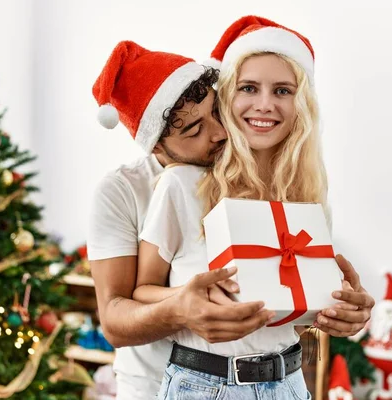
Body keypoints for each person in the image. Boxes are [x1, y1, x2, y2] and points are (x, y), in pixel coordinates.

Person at [133, 16, 374, 399]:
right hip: (202, 386)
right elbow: (140, 292)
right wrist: (184, 301)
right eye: (249, 87)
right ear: (227, 96)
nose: (265, 104)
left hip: (290, 384)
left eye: (282, 90)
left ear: (301, 104)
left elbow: (287, 320)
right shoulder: (182, 186)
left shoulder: (308, 198)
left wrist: (343, 314)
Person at [89, 41, 273, 400]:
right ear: (156, 146)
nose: (219, 133)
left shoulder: (247, 171)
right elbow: (113, 320)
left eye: (217, 112)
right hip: (153, 387)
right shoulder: (121, 191)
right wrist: (181, 308)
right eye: (193, 130)